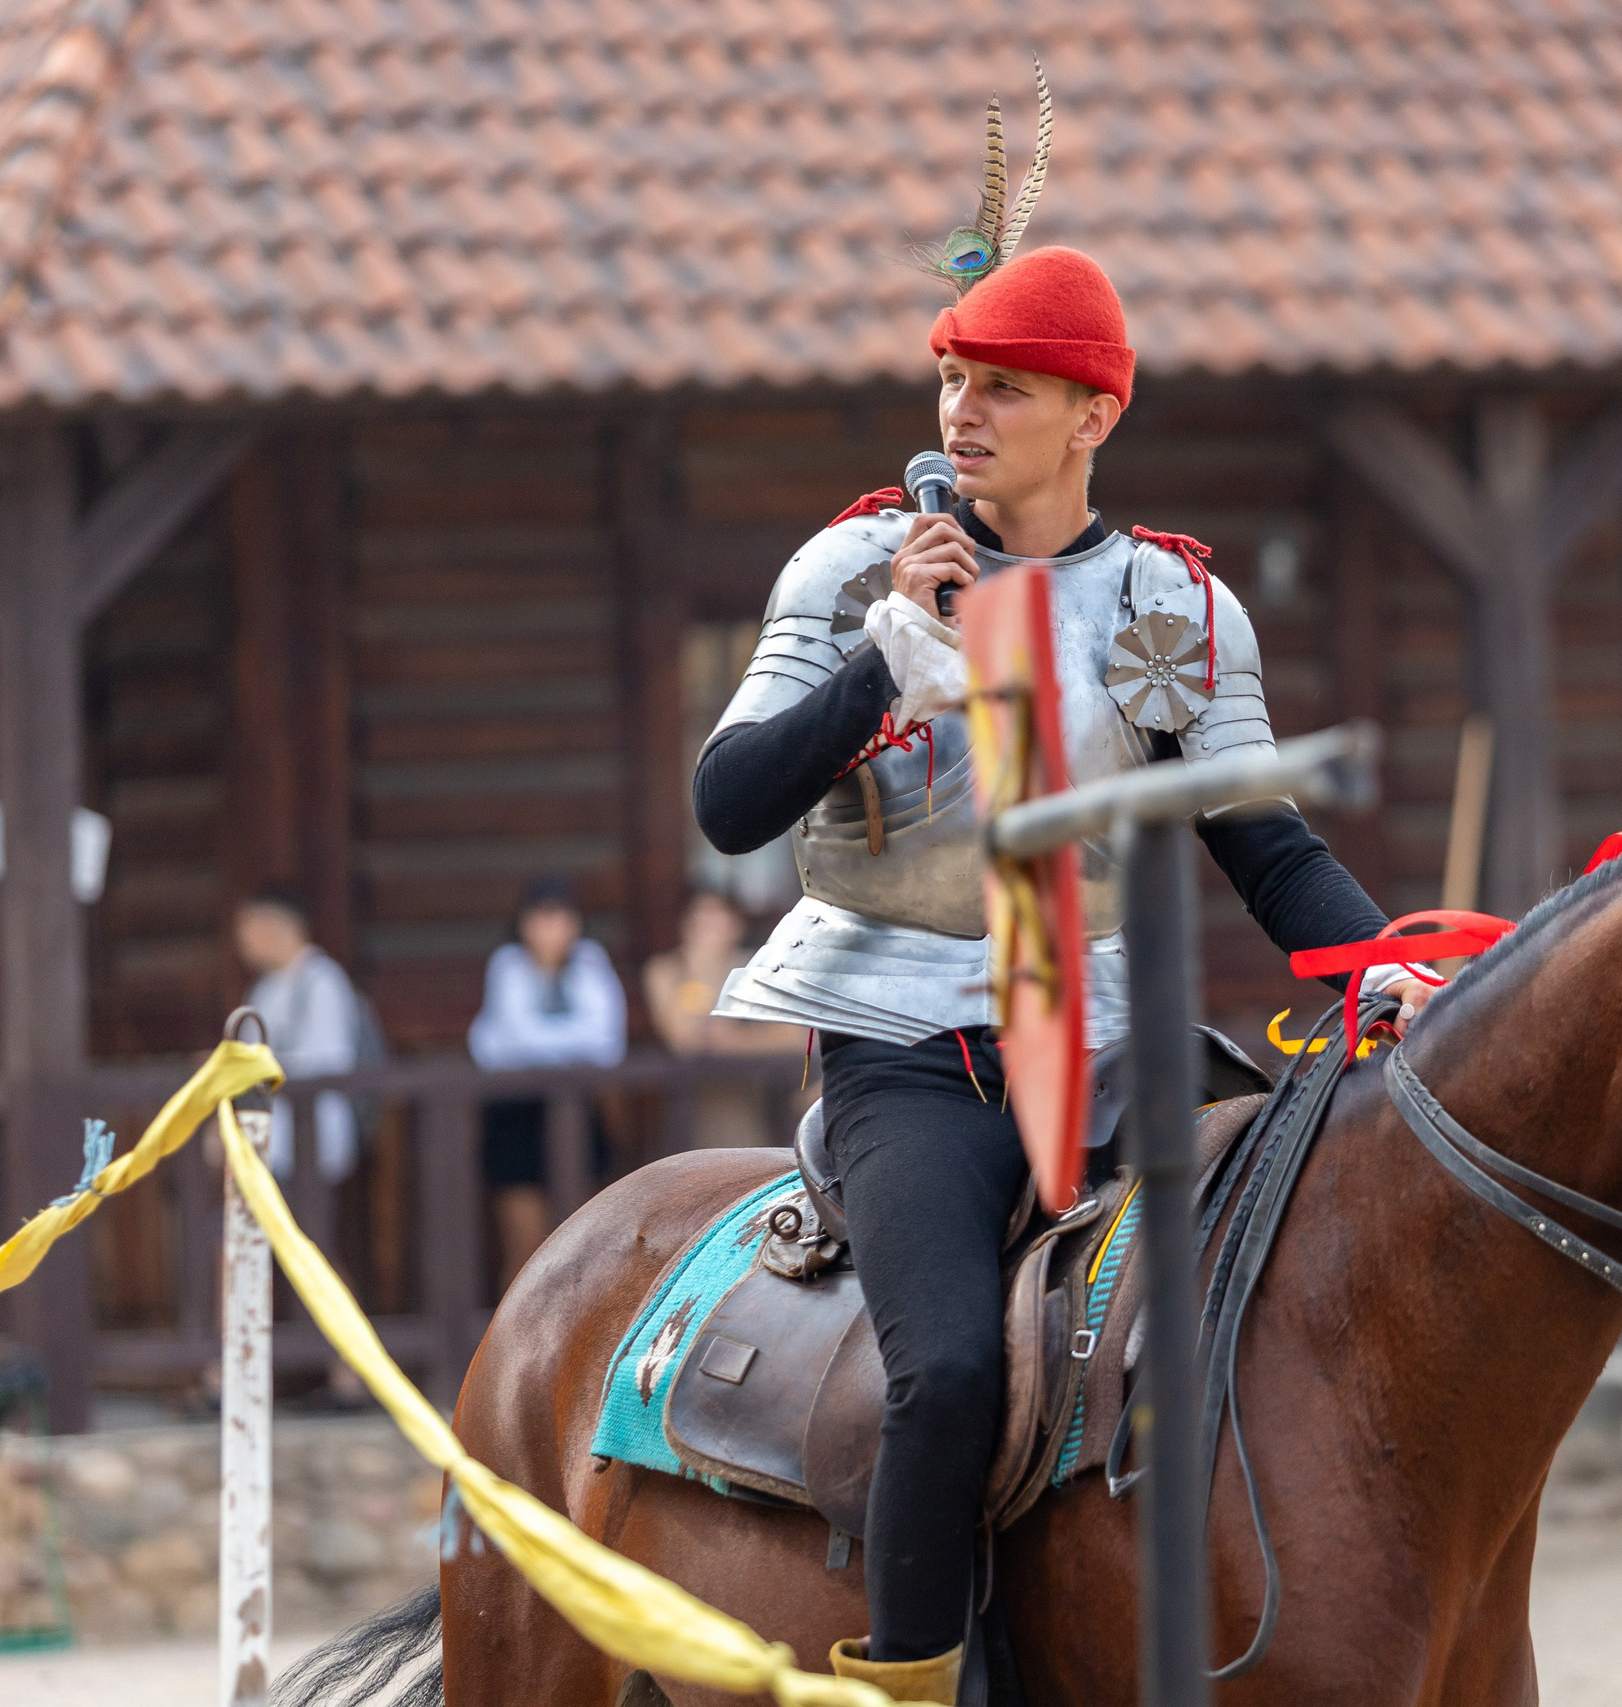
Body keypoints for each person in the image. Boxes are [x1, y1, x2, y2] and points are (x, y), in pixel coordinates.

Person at [691, 84, 1436, 1703]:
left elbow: (1266, 850)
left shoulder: (1176, 606)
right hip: (906, 1047)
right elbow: (729, 801)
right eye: (952, 380)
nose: (963, 412)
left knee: (1297, 1298)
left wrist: (1380, 964)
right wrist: (883, 661)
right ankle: (910, 1682)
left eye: (1004, 388)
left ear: (1093, 414)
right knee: (952, 1369)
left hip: (1112, 1038)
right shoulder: (852, 569)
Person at [468, 876, 628, 1290]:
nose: (551, 930)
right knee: (525, 1245)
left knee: (584, 1240)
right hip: (517, 1112)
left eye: (559, 919)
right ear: (523, 925)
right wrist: (572, 1046)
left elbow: (607, 1040)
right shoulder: (507, 965)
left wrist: (542, 1046)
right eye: (541, 919)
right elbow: (517, 1036)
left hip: (578, 1108)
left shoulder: (590, 961)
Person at [643, 888, 807, 1149]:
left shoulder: (757, 969)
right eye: (699, 919)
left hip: (752, 1102)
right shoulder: (665, 970)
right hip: (691, 1107)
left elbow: (795, 1036)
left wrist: (737, 1040)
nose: (708, 928)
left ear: (737, 925)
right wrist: (703, 967)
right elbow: (683, 1039)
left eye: (717, 917)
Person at [233, 885, 364, 1185]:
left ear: (276, 926)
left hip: (313, 1138)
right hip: (269, 1139)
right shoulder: (263, 990)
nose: (242, 940)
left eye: (248, 927)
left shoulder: (323, 981)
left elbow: (330, 1060)